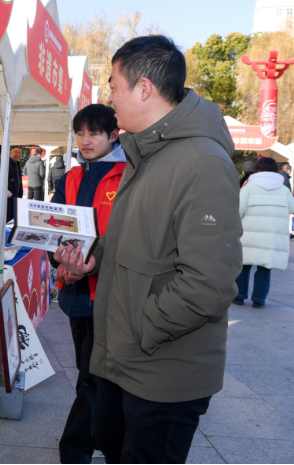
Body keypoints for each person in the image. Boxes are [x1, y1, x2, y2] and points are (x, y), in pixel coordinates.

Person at [54, 35, 243, 464]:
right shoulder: (149, 154)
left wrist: (143, 329)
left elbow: (209, 282)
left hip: (161, 371)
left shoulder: (201, 162)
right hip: (124, 360)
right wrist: (94, 259)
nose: (110, 97)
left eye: (113, 85)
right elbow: (134, 237)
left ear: (143, 88)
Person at [50, 104, 126, 464]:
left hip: (111, 293)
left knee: (93, 377)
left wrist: (88, 266)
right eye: (80, 133)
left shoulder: (129, 175)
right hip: (76, 293)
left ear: (114, 135)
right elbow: (54, 227)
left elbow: (126, 238)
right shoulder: (71, 177)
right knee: (90, 372)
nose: (85, 140)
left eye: (94, 133)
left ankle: (76, 449)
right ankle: (98, 440)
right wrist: (62, 263)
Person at [234, 157, 294, 308]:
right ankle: (259, 300)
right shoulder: (284, 190)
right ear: (276, 170)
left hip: (249, 233)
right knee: (265, 268)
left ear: (257, 169)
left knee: (244, 265)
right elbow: (291, 209)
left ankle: (239, 297)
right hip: (272, 235)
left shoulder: (249, 188)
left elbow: (239, 210)